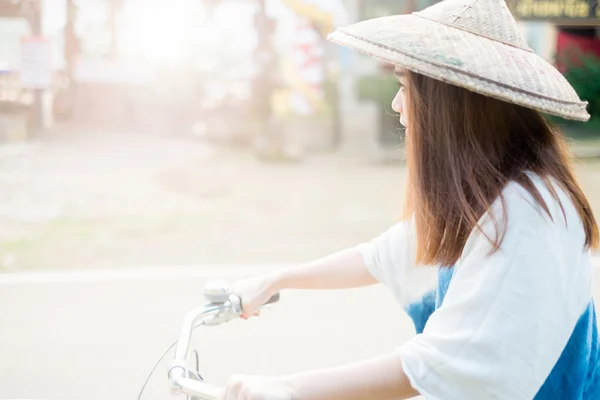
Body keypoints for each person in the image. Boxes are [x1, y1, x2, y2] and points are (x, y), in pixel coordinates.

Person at [218, 0, 600, 399]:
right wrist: (278, 279)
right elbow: (385, 253)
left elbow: (445, 363)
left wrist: (289, 388)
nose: (397, 105)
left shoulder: (523, 214)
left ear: (451, 103)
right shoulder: (496, 188)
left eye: (405, 87)